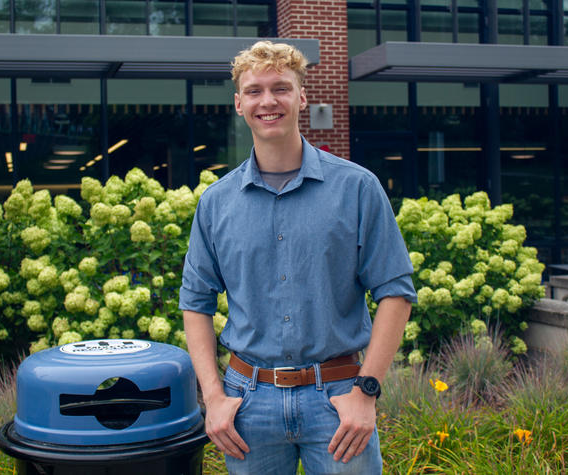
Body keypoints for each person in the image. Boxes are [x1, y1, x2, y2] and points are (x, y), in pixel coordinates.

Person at [179, 40, 417, 474]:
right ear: (238, 103)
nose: (267, 101)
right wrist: (212, 398)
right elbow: (195, 303)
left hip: (339, 399)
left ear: (302, 97)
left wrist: (366, 392)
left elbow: (396, 293)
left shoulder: (357, 188)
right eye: (254, 91)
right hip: (247, 405)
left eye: (280, 88)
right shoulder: (215, 204)